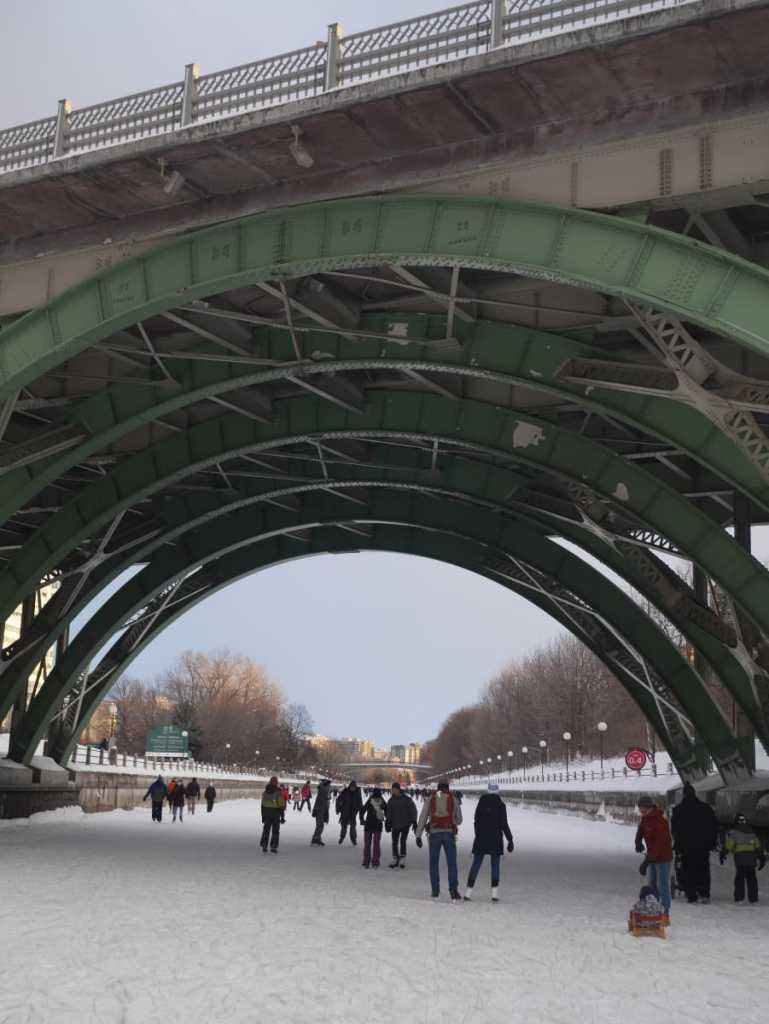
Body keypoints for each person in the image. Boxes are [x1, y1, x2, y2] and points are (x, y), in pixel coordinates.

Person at [670, 781, 718, 903]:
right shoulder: (706, 808)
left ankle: (691, 894)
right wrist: (712, 842)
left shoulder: (678, 810)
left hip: (686, 847)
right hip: (703, 846)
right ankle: (704, 893)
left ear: (684, 795)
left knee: (688, 869)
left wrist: (678, 843)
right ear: (694, 794)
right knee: (703, 869)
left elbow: (675, 829)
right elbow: (713, 827)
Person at [464, 788, 514, 902]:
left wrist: (478, 834)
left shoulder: (481, 803)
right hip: (496, 839)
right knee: (495, 866)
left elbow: (476, 821)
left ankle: (468, 892)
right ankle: (494, 894)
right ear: (497, 791)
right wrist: (510, 839)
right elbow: (504, 824)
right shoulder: (501, 805)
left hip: (481, 838)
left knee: (476, 864)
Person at [415, 779, 463, 900]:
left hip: (434, 833)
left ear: (437, 788)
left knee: (434, 863)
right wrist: (452, 822)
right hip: (449, 833)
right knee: (452, 863)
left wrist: (418, 835)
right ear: (448, 787)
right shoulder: (453, 798)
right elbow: (459, 819)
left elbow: (423, 816)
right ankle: (453, 890)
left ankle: (435, 891)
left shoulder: (431, 798)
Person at [635, 795, 673, 918]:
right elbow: (641, 830)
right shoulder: (645, 818)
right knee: (652, 884)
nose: (641, 812)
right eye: (640, 809)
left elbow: (659, 845)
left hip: (662, 857)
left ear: (650, 807)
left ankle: (665, 911)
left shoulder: (660, 821)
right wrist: (638, 841)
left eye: (643, 809)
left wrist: (646, 862)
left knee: (662, 885)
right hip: (652, 856)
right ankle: (653, 908)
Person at [721, 813, 766, 904]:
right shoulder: (752, 833)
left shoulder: (735, 833)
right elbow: (758, 846)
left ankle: (739, 898)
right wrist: (761, 858)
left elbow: (729, 846)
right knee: (752, 878)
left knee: (740, 878)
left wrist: (723, 853)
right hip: (751, 858)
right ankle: (753, 898)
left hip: (740, 858)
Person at [385, 781, 418, 869]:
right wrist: (388, 822)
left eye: (395, 789)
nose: (393, 791)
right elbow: (389, 812)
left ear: (399, 789)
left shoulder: (406, 799)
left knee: (403, 841)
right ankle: (395, 857)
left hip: (405, 824)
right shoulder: (391, 800)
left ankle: (403, 857)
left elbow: (413, 810)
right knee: (394, 842)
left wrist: (414, 821)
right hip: (395, 824)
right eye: (392, 790)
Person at [359, 787, 387, 868]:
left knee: (373, 844)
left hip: (373, 825)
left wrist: (362, 820)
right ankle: (370, 861)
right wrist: (362, 820)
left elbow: (388, 811)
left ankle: (370, 861)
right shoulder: (379, 801)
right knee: (372, 844)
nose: (377, 798)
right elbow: (362, 810)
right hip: (372, 825)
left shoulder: (378, 801)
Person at [260, 776, 286, 853]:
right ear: (276, 783)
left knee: (266, 830)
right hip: (276, 814)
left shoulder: (265, 792)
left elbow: (262, 805)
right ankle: (273, 846)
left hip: (267, 813)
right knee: (275, 831)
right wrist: (282, 816)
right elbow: (281, 805)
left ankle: (264, 844)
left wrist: (263, 816)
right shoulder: (278, 792)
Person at [336, 780, 363, 846]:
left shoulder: (357, 793)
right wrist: (338, 809)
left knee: (353, 827)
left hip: (353, 813)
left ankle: (353, 839)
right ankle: (342, 837)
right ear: (350, 786)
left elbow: (360, 803)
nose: (352, 788)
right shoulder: (345, 791)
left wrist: (361, 811)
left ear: (355, 787)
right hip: (345, 812)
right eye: (351, 787)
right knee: (343, 826)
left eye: (353, 787)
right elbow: (338, 800)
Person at [311, 779, 332, 845]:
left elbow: (326, 805)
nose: (329, 787)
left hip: (323, 811)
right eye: (328, 786)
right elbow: (318, 802)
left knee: (320, 825)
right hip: (319, 811)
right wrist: (315, 810)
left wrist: (326, 815)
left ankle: (317, 838)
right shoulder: (322, 792)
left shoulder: (326, 793)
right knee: (320, 825)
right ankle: (315, 838)